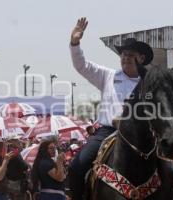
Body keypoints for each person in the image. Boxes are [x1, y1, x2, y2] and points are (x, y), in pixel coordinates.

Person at [68, 17, 154, 200]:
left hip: (139, 137)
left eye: (131, 55)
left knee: (170, 170)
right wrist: (75, 42)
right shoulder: (108, 76)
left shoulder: (150, 84)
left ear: (142, 58)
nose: (126, 58)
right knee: (76, 167)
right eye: (123, 54)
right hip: (106, 133)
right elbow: (82, 66)